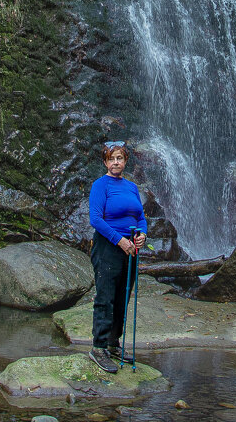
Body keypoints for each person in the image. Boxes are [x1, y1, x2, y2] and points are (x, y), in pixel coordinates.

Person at [87, 140, 147, 373]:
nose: (115, 162)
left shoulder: (131, 187)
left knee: (123, 297)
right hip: (108, 246)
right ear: (105, 162)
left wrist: (142, 234)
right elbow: (96, 219)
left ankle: (113, 343)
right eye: (111, 159)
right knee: (106, 296)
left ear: (125, 161)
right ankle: (98, 347)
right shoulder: (100, 185)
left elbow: (140, 217)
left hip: (131, 248)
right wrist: (120, 240)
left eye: (119, 158)